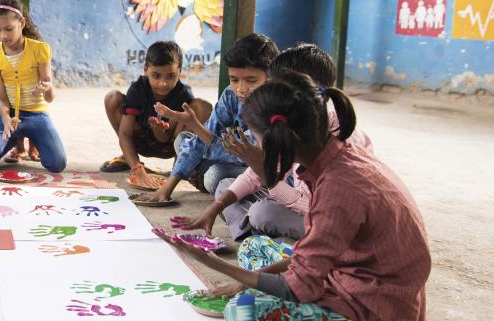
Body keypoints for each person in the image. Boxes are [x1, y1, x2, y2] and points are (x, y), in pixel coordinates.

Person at [174, 72, 433, 321]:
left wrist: (215, 265)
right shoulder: (334, 156)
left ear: (282, 138)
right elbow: (312, 255)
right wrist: (241, 281)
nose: (256, 147)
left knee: (243, 314)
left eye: (257, 139)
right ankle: (255, 284)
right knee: (253, 246)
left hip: (374, 308)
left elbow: (299, 289)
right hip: (347, 272)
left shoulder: (339, 188)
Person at [187, 43, 372, 240]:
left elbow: (317, 209)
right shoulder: (292, 123)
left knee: (262, 213)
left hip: (329, 222)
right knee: (225, 187)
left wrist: (270, 179)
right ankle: (256, 235)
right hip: (293, 196)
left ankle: (263, 234)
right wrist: (216, 207)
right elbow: (255, 175)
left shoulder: (338, 144)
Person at [136, 33, 278, 202]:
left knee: (214, 175)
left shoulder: (275, 105)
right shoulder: (231, 95)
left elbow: (242, 153)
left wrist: (196, 126)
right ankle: (202, 175)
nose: (240, 88)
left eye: (251, 80)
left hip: (260, 169)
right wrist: (166, 190)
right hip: (227, 157)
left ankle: (205, 179)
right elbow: (207, 137)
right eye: (234, 79)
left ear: (270, 77)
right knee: (183, 140)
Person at [100, 40, 212, 189]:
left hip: (170, 145)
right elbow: (125, 133)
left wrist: (160, 130)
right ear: (146, 69)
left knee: (203, 107)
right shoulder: (138, 89)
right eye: (156, 76)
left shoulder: (183, 94)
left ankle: (180, 165)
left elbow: (171, 137)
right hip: (141, 142)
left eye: (171, 76)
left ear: (180, 71)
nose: (163, 83)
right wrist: (137, 170)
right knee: (112, 98)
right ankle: (130, 159)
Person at [0, 0, 66, 173]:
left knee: (57, 164)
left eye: (9, 29)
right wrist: (6, 119)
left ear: (21, 23)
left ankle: (33, 138)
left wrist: (47, 88)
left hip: (37, 116)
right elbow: (1, 99)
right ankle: (13, 139)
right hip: (8, 117)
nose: (3, 36)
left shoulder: (40, 49)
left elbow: (50, 98)